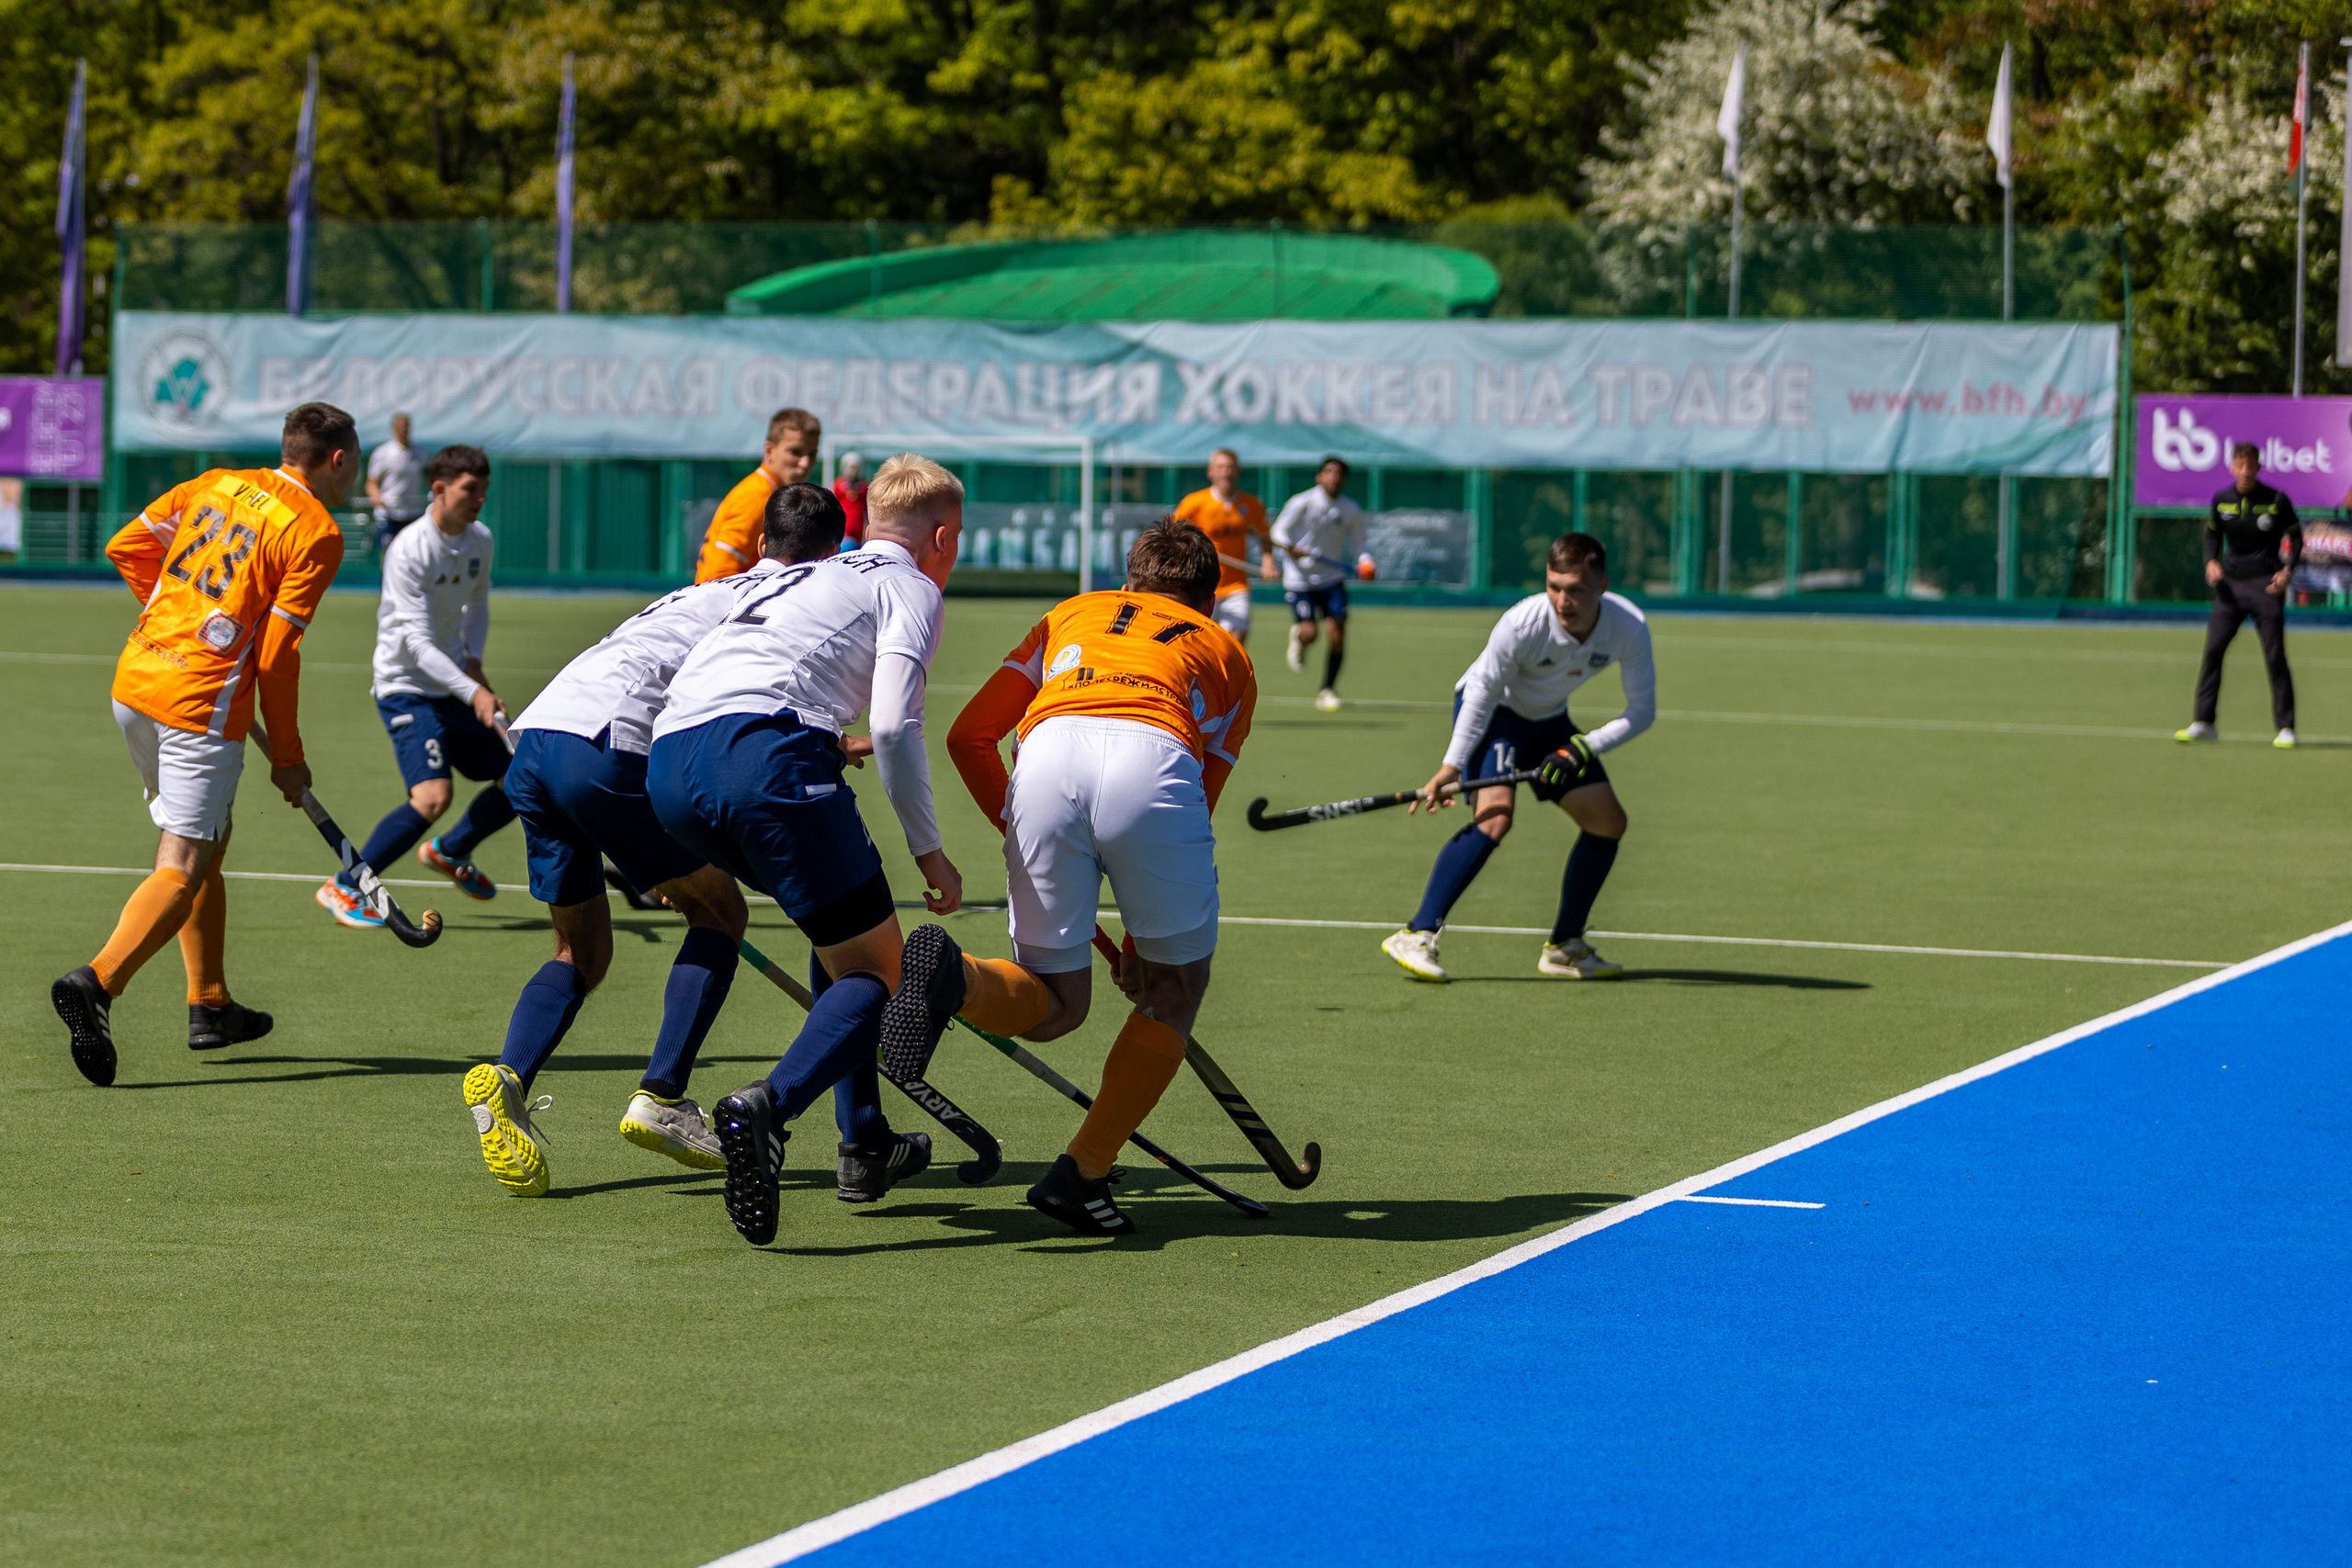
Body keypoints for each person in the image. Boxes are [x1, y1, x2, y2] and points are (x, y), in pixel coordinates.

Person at [466, 484, 878, 1198]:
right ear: (832, 555)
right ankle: (661, 1093)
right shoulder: (787, 603)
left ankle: (508, 1076)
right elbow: (725, 705)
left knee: (579, 951)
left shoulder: (701, 591)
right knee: (719, 911)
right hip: (609, 747)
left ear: (760, 545)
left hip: (534, 743)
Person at [649, 454, 967, 1247]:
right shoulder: (911, 586)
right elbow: (893, 725)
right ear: (943, 539)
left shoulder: (798, 574)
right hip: (764, 760)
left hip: (669, 766)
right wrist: (929, 851)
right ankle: (767, 1109)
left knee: (844, 935)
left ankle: (864, 1143)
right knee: (878, 969)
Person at [922, 518, 1257, 1235]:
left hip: (1045, 758)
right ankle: (1084, 1170)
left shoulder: (1070, 613)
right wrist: (1143, 945)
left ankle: (956, 977)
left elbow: (969, 736)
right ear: (1208, 599)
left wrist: (1014, 821)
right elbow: (1199, 793)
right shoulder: (1228, 652)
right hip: (1157, 761)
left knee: (1054, 1002)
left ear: (1129, 581)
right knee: (1175, 990)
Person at [51, 403, 355, 1086]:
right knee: (182, 863)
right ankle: (97, 982)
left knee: (209, 839)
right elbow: (276, 656)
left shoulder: (216, 482)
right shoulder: (317, 531)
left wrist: (179, 619)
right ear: (338, 459)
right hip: (198, 706)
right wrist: (288, 757)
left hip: (135, 682)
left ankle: (209, 1003)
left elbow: (127, 546)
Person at [1381, 531, 1655, 984]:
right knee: (1495, 818)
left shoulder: (1628, 626)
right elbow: (1481, 693)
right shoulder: (1522, 623)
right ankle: (1417, 933)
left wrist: (1583, 746)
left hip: (1549, 722)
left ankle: (1565, 946)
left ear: (1602, 585)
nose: (1563, 600)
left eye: (1576, 590)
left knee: (1607, 822)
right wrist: (1451, 766)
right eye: (1554, 586)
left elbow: (1641, 711)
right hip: (1496, 716)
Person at [317, 445, 516, 928]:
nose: (479, 499)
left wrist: (473, 662)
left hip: (450, 682)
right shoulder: (409, 549)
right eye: (471, 489)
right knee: (432, 797)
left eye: (485, 490)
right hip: (404, 684)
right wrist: (474, 690)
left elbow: (478, 607)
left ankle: (452, 850)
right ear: (439, 490)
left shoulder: (479, 541)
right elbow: (419, 645)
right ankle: (346, 885)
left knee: (522, 775)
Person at [2178, 441, 2301, 750]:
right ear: (2232, 467)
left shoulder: (2275, 499)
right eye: (2240, 465)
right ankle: (2204, 722)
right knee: (2213, 651)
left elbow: (2296, 537)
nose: (2245, 471)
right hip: (2230, 589)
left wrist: (2286, 572)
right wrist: (2211, 562)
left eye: (2251, 466)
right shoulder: (2221, 500)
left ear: (2259, 468)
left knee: (2275, 656)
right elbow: (2212, 533)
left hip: (2266, 587)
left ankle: (2286, 728)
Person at [1272, 456, 1374, 711]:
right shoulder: (1302, 502)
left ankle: (1327, 689)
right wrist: (1290, 548)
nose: (1333, 477)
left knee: (1337, 635)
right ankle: (1299, 638)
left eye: (1338, 474)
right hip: (1300, 580)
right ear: (1319, 477)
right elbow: (1278, 531)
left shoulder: (1350, 509)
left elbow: (1360, 544)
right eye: (1328, 472)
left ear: (1344, 479)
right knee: (1310, 633)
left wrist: (1366, 563)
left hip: (1331, 579)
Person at [695, 408, 821, 583]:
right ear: (769, 451)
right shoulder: (757, 497)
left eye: (812, 454)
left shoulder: (770, 493)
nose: (805, 463)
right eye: (795, 452)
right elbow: (720, 573)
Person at [1173, 447, 1276, 646]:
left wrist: (1268, 561)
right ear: (1211, 472)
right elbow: (1173, 534)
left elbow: (1264, 535)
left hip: (1236, 585)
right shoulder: (1194, 503)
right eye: (1220, 467)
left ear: (1237, 471)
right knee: (1200, 642)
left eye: (1230, 467)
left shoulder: (1251, 504)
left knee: (1235, 640)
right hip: (1201, 585)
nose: (1226, 472)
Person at [366, 412, 425, 554]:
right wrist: (377, 497)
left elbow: (428, 477)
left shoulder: (420, 453)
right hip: (389, 513)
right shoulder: (383, 452)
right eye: (400, 426)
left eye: (406, 426)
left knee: (413, 552)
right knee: (388, 552)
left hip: (413, 513)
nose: (403, 430)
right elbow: (371, 482)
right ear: (393, 428)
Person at [831, 450, 869, 547]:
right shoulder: (837, 485)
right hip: (843, 534)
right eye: (850, 467)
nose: (852, 470)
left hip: (859, 534)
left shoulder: (864, 487)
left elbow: (867, 511)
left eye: (855, 467)